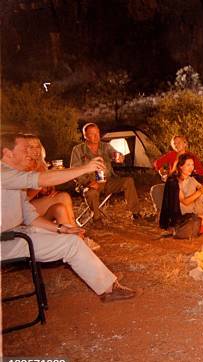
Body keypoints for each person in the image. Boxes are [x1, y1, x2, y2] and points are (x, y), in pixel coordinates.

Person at [1, 132, 136, 302]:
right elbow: (41, 179)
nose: (29, 153)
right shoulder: (3, 174)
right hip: (5, 241)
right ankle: (108, 289)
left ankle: (107, 282)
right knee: (70, 244)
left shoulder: (12, 176)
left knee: (70, 237)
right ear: (8, 153)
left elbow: (30, 216)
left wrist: (62, 228)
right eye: (25, 149)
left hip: (15, 233)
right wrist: (86, 168)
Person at [22, 136, 101, 250]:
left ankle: (77, 236)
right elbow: (21, 200)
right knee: (62, 198)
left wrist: (50, 188)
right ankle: (79, 239)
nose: (35, 150)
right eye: (31, 147)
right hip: (24, 209)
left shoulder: (41, 165)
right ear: (24, 149)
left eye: (37, 146)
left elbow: (48, 190)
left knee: (62, 200)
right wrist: (39, 188)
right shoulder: (21, 168)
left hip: (37, 206)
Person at [70, 122, 142, 227]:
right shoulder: (78, 150)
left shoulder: (105, 146)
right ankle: (97, 219)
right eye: (92, 134)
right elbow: (74, 171)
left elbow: (114, 153)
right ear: (85, 136)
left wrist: (118, 157)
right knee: (91, 193)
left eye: (97, 133)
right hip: (90, 184)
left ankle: (136, 214)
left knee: (128, 181)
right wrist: (88, 183)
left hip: (108, 181)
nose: (96, 136)